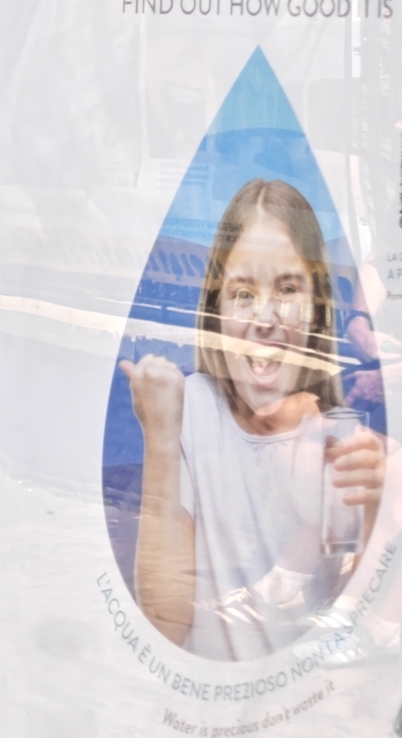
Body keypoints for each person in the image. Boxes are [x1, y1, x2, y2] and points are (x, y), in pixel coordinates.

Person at [127, 176, 386, 658]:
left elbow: (366, 625)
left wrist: (379, 512)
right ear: (216, 307)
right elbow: (165, 624)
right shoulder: (189, 412)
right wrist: (160, 438)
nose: (264, 317)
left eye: (287, 288)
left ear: (316, 307)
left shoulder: (340, 437)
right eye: (243, 293)